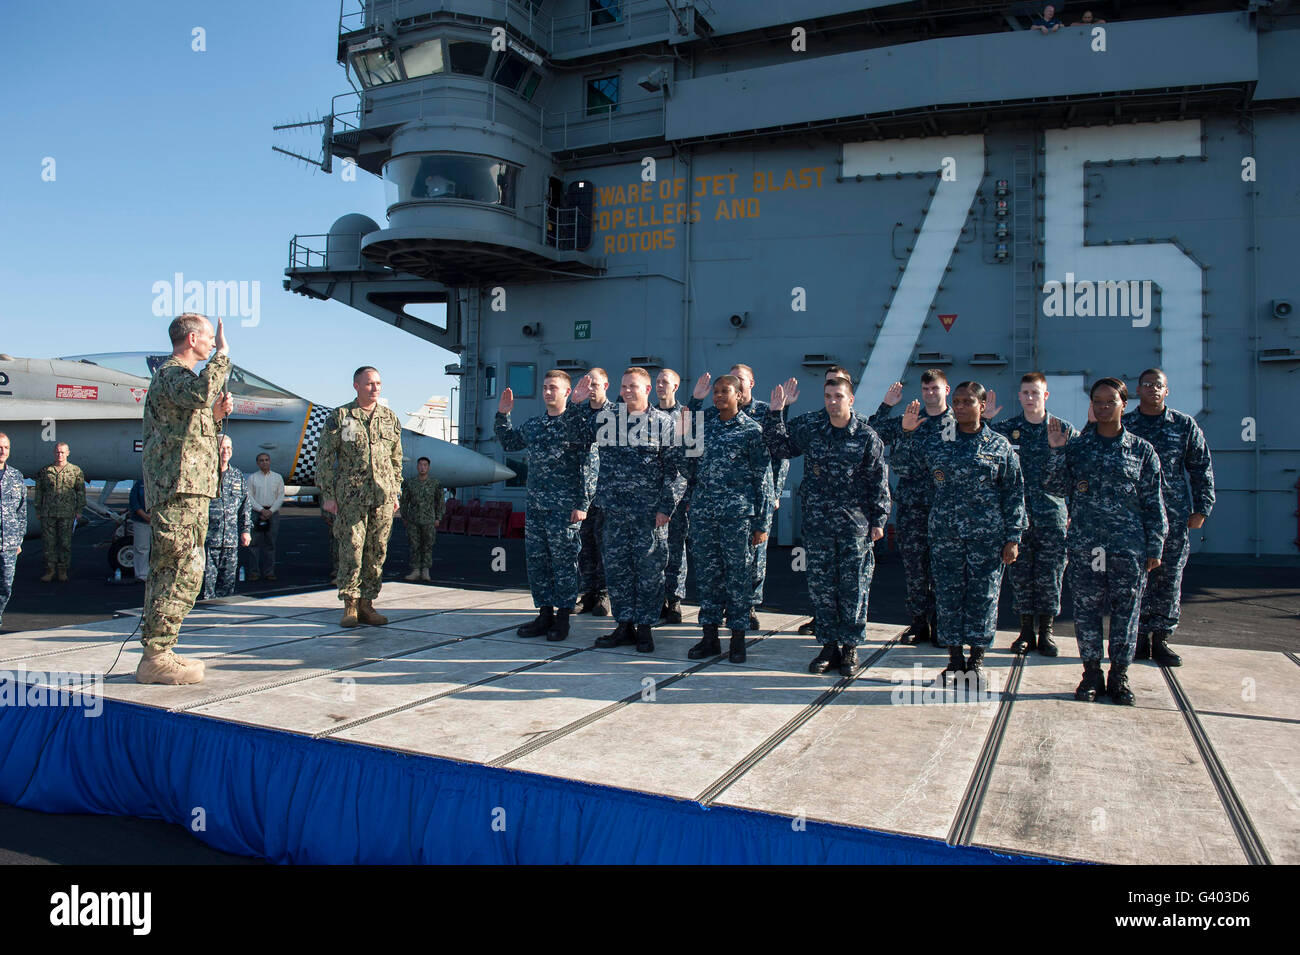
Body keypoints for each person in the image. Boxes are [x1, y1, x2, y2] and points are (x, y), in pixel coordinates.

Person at [1046, 378, 1167, 704]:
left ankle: (1119, 676)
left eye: (1109, 401)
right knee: (1086, 612)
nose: (1102, 407)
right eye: (1097, 402)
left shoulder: (1141, 451)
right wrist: (1057, 451)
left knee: (1127, 613)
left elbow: (1153, 502)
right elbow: (1055, 487)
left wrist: (1155, 545)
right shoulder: (1078, 448)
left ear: (1123, 405)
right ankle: (1091, 673)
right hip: (1088, 546)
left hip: (1127, 549)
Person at [899, 383, 1027, 683]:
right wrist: (906, 433)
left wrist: (1013, 538)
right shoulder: (938, 442)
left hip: (988, 539)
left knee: (984, 597)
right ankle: (954, 659)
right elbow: (905, 467)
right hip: (946, 537)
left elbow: (1013, 493)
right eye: (956, 402)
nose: (959, 407)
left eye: (967, 402)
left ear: (982, 406)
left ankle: (977, 660)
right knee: (948, 597)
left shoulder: (999, 446)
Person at [766, 377, 890, 676]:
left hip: (854, 527)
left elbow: (878, 482)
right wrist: (775, 412)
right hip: (819, 526)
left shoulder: (866, 437)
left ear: (850, 400)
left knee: (854, 589)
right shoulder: (814, 432)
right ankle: (828, 646)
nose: (832, 401)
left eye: (838, 396)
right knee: (822, 588)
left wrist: (879, 520)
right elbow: (781, 447)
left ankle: (850, 648)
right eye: (828, 396)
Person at [139, 313, 233, 685]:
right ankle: (156, 655)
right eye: (209, 338)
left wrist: (214, 416)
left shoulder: (182, 380)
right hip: (179, 489)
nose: (212, 344)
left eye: (215, 341)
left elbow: (193, 426)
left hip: (190, 488)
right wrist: (222, 357)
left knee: (182, 567)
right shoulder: (173, 374)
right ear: (192, 338)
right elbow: (199, 393)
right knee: (181, 567)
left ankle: (161, 650)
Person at [568, 368, 685, 653]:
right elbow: (574, 436)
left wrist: (666, 508)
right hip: (614, 515)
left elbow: (678, 472)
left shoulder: (665, 424)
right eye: (624, 386)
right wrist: (574, 405)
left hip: (649, 516)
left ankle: (644, 628)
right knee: (618, 572)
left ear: (647, 390)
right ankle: (624, 626)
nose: (627, 391)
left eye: (633, 386)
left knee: (649, 572)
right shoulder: (608, 420)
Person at [1123, 368, 1214, 666]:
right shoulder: (1126, 424)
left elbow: (1200, 467)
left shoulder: (1183, 425)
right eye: (1147, 384)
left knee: (1169, 576)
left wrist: (1202, 508)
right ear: (1138, 389)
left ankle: (1160, 638)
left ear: (1167, 390)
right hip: (1133, 515)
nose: (1153, 389)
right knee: (1135, 577)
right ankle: (1136, 639)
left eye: (1158, 385)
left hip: (1172, 515)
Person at [687, 364, 789, 629]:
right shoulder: (705, 428)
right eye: (716, 392)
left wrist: (763, 524)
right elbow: (687, 466)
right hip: (705, 517)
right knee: (708, 578)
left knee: (739, 577)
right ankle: (708, 634)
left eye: (726, 391)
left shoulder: (752, 431)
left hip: (737, 519)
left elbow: (763, 481)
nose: (719, 396)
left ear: (740, 395)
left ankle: (738, 636)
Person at [495, 371, 593, 642]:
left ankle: (563, 618)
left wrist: (583, 503)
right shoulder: (535, 424)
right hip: (537, 506)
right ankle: (545, 613)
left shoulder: (577, 424)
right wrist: (503, 415)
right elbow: (510, 442)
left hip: (564, 508)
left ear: (567, 392)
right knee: (537, 562)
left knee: (564, 563)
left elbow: (590, 464)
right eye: (545, 387)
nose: (548, 392)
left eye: (554, 388)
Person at [986, 373, 1078, 655]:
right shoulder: (1006, 430)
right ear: (1019, 395)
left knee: (1050, 574)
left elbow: (1079, 474)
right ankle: (1025, 631)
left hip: (1052, 516)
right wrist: (986, 420)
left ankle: (1046, 632)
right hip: (1018, 518)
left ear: (1045, 395)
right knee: (1022, 575)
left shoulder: (1064, 431)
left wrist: (1073, 512)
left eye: (1035, 393)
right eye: (1025, 393)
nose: (1030, 398)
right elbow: (982, 447)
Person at [869, 369, 956, 645]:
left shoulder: (957, 422)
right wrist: (887, 407)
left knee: (944, 570)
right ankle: (919, 622)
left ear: (947, 390)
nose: (930, 393)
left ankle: (943, 623)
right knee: (916, 569)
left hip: (946, 511)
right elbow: (871, 432)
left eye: (935, 388)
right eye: (926, 389)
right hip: (912, 509)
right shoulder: (912, 417)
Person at [318, 366, 404, 628]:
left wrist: (395, 490)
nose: (375, 388)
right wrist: (328, 495)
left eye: (378, 383)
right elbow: (324, 457)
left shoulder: (389, 418)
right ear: (356, 385)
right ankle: (350, 605)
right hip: (351, 497)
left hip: (382, 496)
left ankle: (368, 604)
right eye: (369, 384)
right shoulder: (342, 417)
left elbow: (396, 458)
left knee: (377, 551)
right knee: (352, 551)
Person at [574, 367, 611, 616]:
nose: (591, 388)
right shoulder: (577, 414)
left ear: (606, 386)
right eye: (587, 384)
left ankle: (604, 596)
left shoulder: (616, 414)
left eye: (595, 384)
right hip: (580, 495)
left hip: (606, 494)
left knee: (605, 547)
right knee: (584, 546)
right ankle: (587, 593)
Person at [655, 368, 689, 624]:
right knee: (653, 550)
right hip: (652, 496)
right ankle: (656, 599)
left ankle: (674, 599)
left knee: (676, 549)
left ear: (675, 386)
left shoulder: (687, 416)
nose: (660, 386)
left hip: (679, 497)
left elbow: (693, 460)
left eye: (665, 382)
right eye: (657, 381)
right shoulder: (647, 415)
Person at [202, 435, 252, 599]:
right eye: (222, 447)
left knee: (228, 587)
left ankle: (223, 618)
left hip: (230, 541)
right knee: (206, 587)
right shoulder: (205, 474)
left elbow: (245, 504)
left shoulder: (237, 475)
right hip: (208, 540)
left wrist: (245, 530)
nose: (226, 451)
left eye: (229, 448)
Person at [34, 442, 85, 582]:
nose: (60, 455)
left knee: (65, 544)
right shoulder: (45, 471)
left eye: (62, 452)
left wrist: (79, 510)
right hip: (48, 513)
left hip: (67, 513)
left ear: (68, 453)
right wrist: (38, 509)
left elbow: (80, 491)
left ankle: (62, 570)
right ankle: (49, 570)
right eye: (57, 452)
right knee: (48, 544)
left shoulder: (75, 471)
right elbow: (39, 492)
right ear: (54, 453)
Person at [400, 456, 446, 582]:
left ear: (428, 467)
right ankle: (415, 570)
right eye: (420, 465)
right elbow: (404, 501)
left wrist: (438, 517)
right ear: (417, 467)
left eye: (425, 465)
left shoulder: (435, 484)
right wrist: (404, 516)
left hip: (429, 520)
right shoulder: (410, 483)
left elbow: (440, 502)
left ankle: (425, 570)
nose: (422, 467)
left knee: (427, 546)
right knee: (414, 546)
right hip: (413, 520)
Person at [0, 433, 26, 630]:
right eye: (0, 447)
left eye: (6, 447)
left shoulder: (16, 476)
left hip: (8, 543)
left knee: (5, 588)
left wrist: (19, 540)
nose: (2, 451)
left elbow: (22, 510)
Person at [246, 452, 285, 581]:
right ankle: (254, 572)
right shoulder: (252, 478)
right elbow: (249, 497)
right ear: (258, 463)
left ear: (270, 461)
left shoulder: (277, 478)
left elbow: (280, 497)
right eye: (261, 460)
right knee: (254, 544)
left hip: (272, 514)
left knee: (270, 544)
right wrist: (261, 510)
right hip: (257, 513)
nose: (264, 462)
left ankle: (269, 572)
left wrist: (271, 511)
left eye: (266, 460)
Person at [128, 475, 150, 583]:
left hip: (159, 520)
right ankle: (142, 574)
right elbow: (134, 501)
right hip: (141, 520)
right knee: (141, 548)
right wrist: (143, 514)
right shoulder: (140, 484)